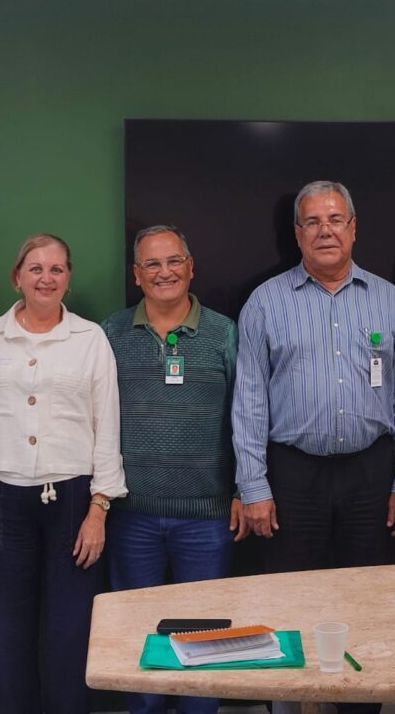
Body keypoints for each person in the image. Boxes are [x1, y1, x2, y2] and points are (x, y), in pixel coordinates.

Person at [0, 233, 127, 714]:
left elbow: (107, 424)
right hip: (1, 500)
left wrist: (99, 508)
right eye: (35, 268)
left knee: (69, 630)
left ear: (68, 280)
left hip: (74, 501)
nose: (46, 277)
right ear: (17, 277)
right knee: (8, 630)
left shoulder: (90, 338)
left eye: (57, 269)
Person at [234, 179, 395, 572]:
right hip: (293, 477)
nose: (325, 231)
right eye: (313, 222)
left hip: (371, 474)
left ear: (353, 229)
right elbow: (249, 401)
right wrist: (252, 486)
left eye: (335, 219)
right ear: (298, 235)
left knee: (368, 591)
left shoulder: (390, 301)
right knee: (294, 591)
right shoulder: (265, 302)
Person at [101, 224, 247, 714]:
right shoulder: (111, 334)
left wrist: (244, 490)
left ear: (191, 267)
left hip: (207, 517)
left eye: (173, 261)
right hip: (131, 515)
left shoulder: (226, 333)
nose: (164, 272)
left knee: (202, 646)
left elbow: (247, 417)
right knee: (139, 641)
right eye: (152, 264)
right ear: (137, 276)